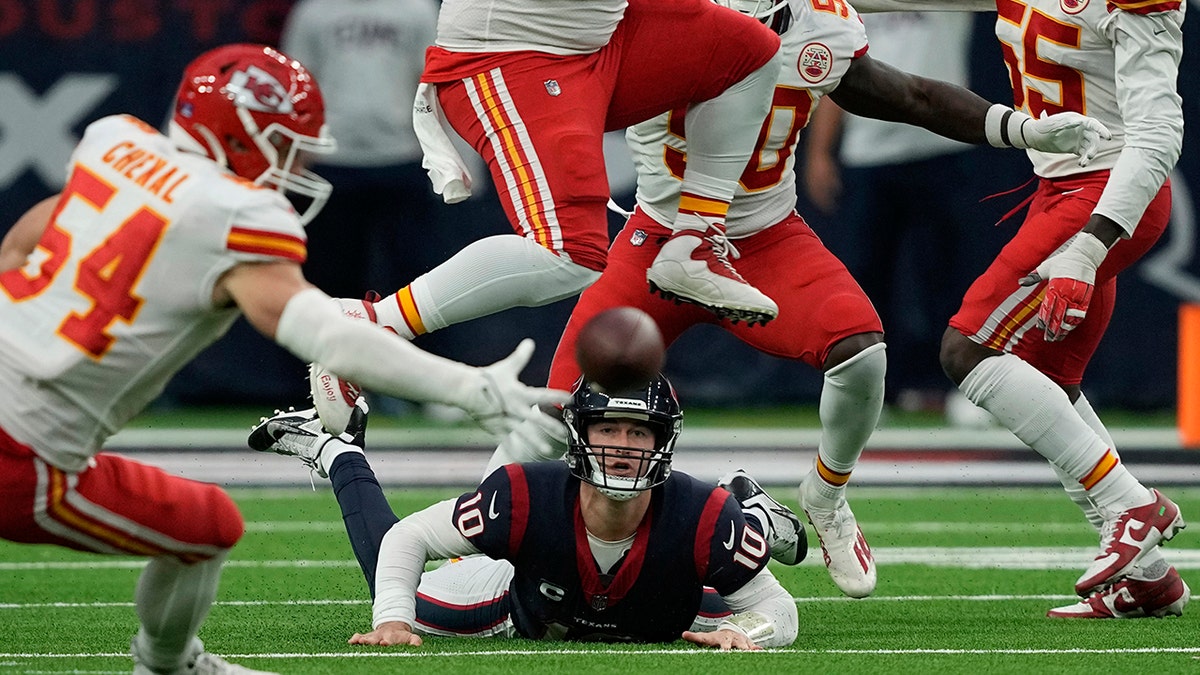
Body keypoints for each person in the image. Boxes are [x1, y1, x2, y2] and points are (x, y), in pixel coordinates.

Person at [484, 0, 1111, 601]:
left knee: (862, 352)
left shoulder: (815, 21)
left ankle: (827, 493)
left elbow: (911, 95)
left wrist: (1020, 129)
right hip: (659, 239)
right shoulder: (649, 18)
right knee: (557, 408)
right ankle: (474, 548)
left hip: (764, 238)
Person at [0, 44, 568, 675]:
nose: (300, 160)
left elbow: (28, 237)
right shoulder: (235, 214)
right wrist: (473, 389)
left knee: (207, 521)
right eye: (289, 143)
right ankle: (165, 667)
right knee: (201, 532)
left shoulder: (116, 142)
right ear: (244, 137)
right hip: (23, 453)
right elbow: (330, 338)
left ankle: (172, 663)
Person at [923, 0, 1190, 619]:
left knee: (968, 350)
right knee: (1045, 382)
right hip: (1058, 187)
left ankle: (1131, 504)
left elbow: (1157, 135)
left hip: (1107, 194)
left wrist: (1090, 245)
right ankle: (1148, 578)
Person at [343, 0, 792, 354]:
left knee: (748, 51)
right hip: (511, 49)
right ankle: (372, 327)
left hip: (599, 30)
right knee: (569, 253)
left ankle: (694, 238)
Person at [248, 375, 803, 648]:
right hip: (522, 606)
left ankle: (753, 515)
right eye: (607, 428)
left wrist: (748, 633)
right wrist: (391, 618)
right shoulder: (526, 495)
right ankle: (336, 450)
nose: (622, 444)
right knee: (397, 590)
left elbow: (779, 610)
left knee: (712, 582)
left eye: (638, 432)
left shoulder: (703, 514)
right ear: (579, 436)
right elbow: (408, 538)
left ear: (662, 443)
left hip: (654, 600)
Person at [802, 12, 1007, 419]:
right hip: (869, 152)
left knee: (950, 277)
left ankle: (962, 385)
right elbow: (835, 69)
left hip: (943, 145)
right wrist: (819, 151)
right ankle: (874, 390)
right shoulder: (847, 4)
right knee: (866, 279)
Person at [280, 0, 445, 301]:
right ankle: (331, 347)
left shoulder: (417, 9)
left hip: (403, 160)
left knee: (417, 286)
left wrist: (451, 159)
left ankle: (415, 350)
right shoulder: (313, 12)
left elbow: (435, 83)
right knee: (328, 285)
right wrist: (294, 157)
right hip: (331, 162)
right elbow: (295, 86)